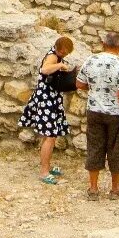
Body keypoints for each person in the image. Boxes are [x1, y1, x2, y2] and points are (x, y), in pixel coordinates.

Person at [74, 31, 119, 201]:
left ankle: (93, 189)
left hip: (94, 111)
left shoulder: (91, 60)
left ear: (103, 44)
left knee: (94, 147)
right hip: (115, 114)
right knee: (116, 150)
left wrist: (95, 90)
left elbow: (79, 84)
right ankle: (115, 190)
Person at [18, 36, 76, 185]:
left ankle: (47, 166)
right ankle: (44, 172)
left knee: (50, 136)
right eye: (64, 52)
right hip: (46, 101)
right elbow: (44, 69)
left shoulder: (57, 56)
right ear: (59, 49)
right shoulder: (52, 56)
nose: (65, 55)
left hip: (52, 100)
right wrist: (59, 66)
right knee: (49, 137)